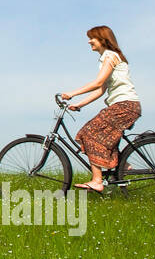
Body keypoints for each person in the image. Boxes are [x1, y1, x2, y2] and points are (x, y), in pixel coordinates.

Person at [60, 26, 141, 192]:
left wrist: (72, 93)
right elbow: (101, 90)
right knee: (105, 139)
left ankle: (97, 180)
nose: (89, 41)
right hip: (126, 105)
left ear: (102, 39)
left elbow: (97, 83)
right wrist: (80, 104)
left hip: (124, 106)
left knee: (88, 133)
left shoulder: (110, 56)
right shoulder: (110, 57)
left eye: (92, 38)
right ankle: (123, 165)